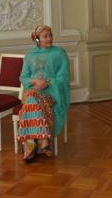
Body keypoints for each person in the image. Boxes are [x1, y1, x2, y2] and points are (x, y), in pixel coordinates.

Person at [18, 25, 70, 162]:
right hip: (33, 89)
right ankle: (43, 140)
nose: (49, 38)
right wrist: (35, 81)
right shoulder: (30, 55)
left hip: (52, 92)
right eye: (45, 36)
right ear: (37, 39)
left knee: (30, 102)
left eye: (50, 35)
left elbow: (63, 76)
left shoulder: (59, 53)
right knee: (31, 97)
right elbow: (23, 77)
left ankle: (29, 145)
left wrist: (47, 83)